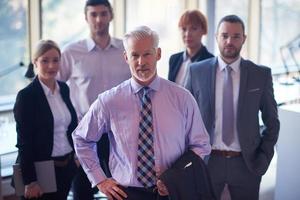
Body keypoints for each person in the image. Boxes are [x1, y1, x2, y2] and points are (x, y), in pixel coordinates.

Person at [72, 26, 211, 200]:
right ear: (125, 57)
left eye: (147, 54)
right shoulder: (109, 101)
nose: (141, 62)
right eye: (135, 55)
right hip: (125, 194)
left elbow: (201, 145)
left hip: (173, 193)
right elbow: (81, 138)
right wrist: (100, 180)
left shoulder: (182, 98)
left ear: (158, 54)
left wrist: (177, 178)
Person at [185, 15, 280, 200]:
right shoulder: (197, 71)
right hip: (207, 162)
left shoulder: (260, 74)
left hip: (246, 164)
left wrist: (262, 159)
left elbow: (272, 122)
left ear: (244, 38)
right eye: (225, 35)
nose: (230, 41)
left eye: (236, 36)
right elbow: (183, 119)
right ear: (216, 37)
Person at [57, 0, 131, 199]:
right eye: (93, 14)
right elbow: (55, 90)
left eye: (103, 14)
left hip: (120, 136)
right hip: (85, 136)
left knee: (122, 193)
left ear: (111, 15)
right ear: (86, 17)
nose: (99, 20)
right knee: (82, 193)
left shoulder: (126, 50)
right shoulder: (71, 52)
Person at [14, 40, 78, 200]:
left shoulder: (64, 88)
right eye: (45, 60)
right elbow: (24, 142)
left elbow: (71, 127)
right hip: (41, 170)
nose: (51, 66)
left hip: (67, 166)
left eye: (55, 60)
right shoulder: (26, 97)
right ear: (35, 62)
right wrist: (30, 181)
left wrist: (76, 157)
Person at [168, 9, 214, 86]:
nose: (188, 34)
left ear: (204, 30)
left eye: (194, 28)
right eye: (184, 29)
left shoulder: (211, 62)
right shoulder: (174, 59)